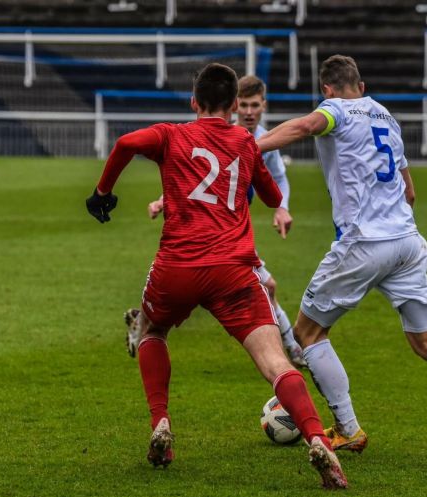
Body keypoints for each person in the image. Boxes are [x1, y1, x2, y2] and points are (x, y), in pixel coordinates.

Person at [85, 63, 347, 489]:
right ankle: (318, 439)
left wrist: (102, 192)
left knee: (151, 330)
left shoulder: (172, 134)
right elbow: (273, 196)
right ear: (232, 106)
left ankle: (161, 423)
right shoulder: (245, 141)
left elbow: (125, 143)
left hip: (177, 268)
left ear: (194, 102)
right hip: (233, 271)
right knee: (275, 361)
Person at [257, 55, 427, 453]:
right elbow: (410, 191)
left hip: (363, 242)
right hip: (407, 243)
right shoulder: (385, 116)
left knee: (308, 334)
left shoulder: (334, 111)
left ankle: (348, 429)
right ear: (360, 84)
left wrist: (249, 146)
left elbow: (307, 126)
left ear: (327, 89)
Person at [126, 75, 305, 368]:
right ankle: (291, 349)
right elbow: (192, 178)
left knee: (249, 288)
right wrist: (162, 199)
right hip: (213, 235)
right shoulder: (223, 134)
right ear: (235, 105)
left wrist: (281, 208)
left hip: (230, 234)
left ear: (263, 106)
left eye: (254, 105)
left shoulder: (264, 140)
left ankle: (143, 322)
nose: (248, 112)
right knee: (263, 285)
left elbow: (279, 179)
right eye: (244, 105)